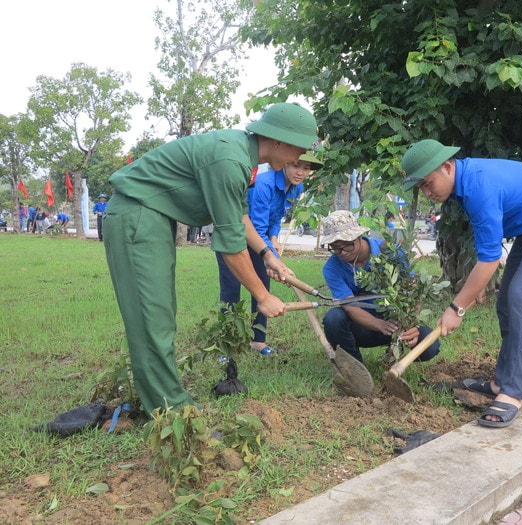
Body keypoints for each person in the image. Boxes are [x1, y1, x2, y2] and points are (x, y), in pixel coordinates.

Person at [102, 102, 319, 415]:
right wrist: (262, 296)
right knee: (151, 316)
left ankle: (163, 400)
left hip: (154, 217)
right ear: (277, 140)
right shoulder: (231, 159)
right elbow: (230, 244)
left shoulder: (245, 158)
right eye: (298, 150)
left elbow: (238, 215)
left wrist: (266, 254)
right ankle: (170, 412)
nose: (299, 160)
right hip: (137, 214)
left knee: (160, 313)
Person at [401, 139, 522, 428]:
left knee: (521, 295)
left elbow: (489, 260)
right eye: (420, 187)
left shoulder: (478, 187)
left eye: (427, 183)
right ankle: (506, 380)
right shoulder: (464, 184)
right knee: (507, 300)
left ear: (447, 167)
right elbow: (487, 247)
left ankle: (512, 392)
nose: (426, 192)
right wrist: (478, 283)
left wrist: (456, 308)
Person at [215, 151, 324, 355]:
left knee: (262, 288)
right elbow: (255, 226)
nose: (300, 172)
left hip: (260, 240)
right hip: (234, 236)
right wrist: (273, 256)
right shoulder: (264, 184)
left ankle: (258, 341)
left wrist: (274, 238)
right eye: (295, 165)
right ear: (285, 164)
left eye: (306, 168)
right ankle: (227, 346)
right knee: (231, 291)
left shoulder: (296, 187)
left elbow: (275, 218)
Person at [320, 210, 441, 364]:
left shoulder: (391, 252)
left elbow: (412, 292)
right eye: (335, 248)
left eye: (347, 246)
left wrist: (410, 324)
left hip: (396, 322)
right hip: (363, 327)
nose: (342, 253)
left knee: (430, 347)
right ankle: (354, 366)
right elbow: (350, 306)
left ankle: (396, 357)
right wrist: (380, 325)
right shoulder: (331, 268)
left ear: (359, 237)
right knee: (333, 318)